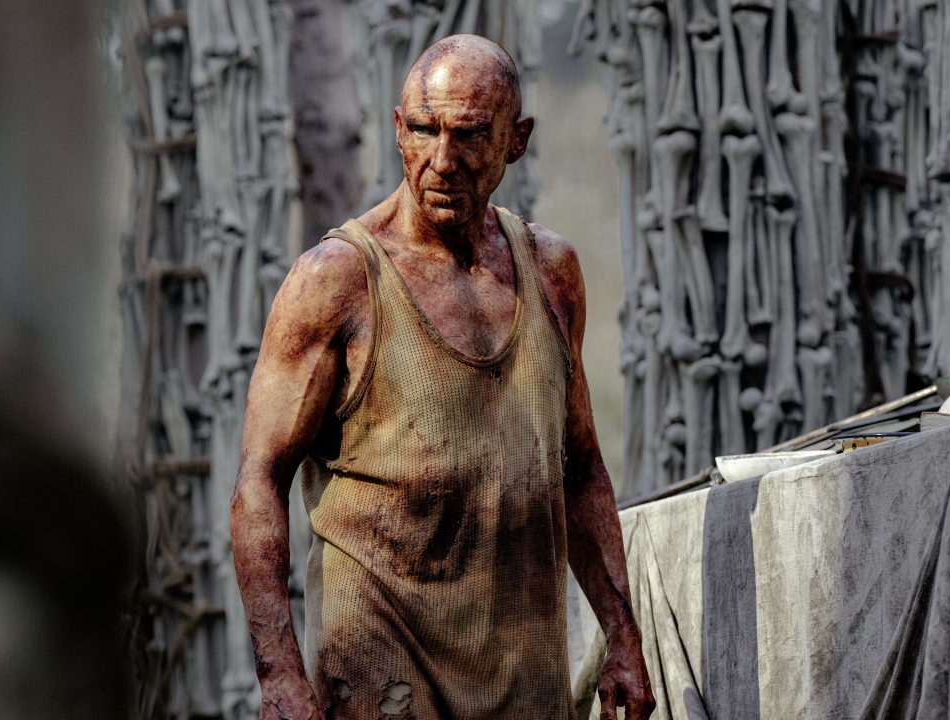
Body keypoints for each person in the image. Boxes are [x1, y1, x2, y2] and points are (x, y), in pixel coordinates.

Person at [229, 34, 654, 720]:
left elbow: (580, 471)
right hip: (381, 670)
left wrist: (623, 638)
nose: (442, 160)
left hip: (524, 670)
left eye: (470, 135)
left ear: (516, 141)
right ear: (399, 129)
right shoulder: (336, 281)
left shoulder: (551, 273)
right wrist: (278, 675)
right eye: (424, 131)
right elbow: (259, 481)